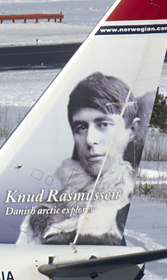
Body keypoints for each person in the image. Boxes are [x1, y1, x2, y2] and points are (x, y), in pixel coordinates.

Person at [20, 71, 150, 246]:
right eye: (81, 127)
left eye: (103, 124)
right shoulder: (47, 209)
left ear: (132, 130)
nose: (90, 140)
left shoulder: (118, 208)